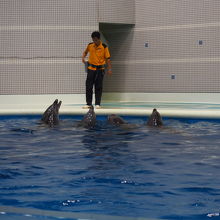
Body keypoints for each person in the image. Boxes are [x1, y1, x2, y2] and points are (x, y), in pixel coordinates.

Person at [82, 31, 112, 109]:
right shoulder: (90, 45)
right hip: (91, 69)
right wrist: (83, 57)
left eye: (95, 40)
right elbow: (85, 52)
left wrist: (109, 69)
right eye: (93, 40)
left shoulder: (104, 47)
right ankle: (88, 103)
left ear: (99, 39)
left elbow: (108, 59)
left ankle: (97, 103)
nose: (94, 41)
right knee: (88, 86)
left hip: (100, 69)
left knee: (98, 87)